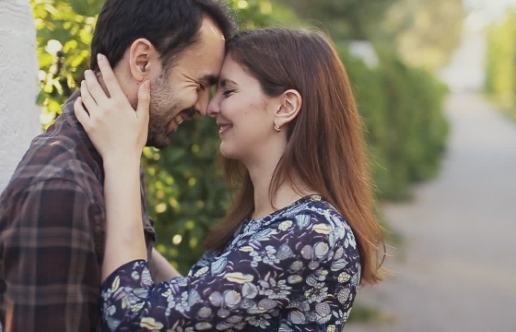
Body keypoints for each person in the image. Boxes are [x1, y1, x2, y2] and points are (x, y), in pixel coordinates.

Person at [75, 27, 385, 332]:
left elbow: (134, 319)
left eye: (229, 90)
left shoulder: (310, 233)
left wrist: (122, 157)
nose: (211, 107)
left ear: (285, 106)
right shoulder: (273, 222)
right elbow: (189, 307)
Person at [0, 0, 235, 330]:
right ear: (142, 62)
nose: (203, 106)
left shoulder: (117, 154)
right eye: (198, 85)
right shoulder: (61, 188)